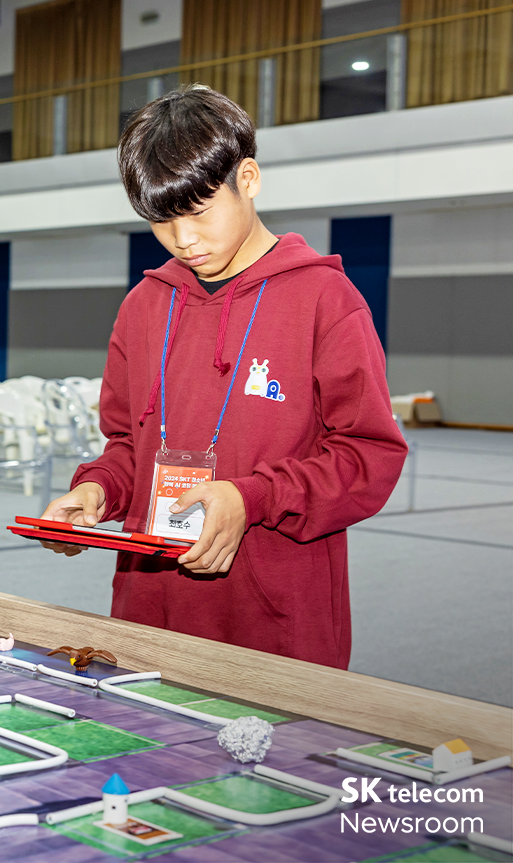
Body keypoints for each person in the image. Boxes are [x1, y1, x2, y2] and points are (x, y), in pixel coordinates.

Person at [36, 84, 406, 670]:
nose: (183, 239)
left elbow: (369, 457)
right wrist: (97, 491)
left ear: (249, 179)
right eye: (161, 220)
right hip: (151, 604)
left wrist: (250, 496)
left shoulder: (324, 299)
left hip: (274, 612)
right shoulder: (144, 305)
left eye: (198, 211)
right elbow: (130, 445)